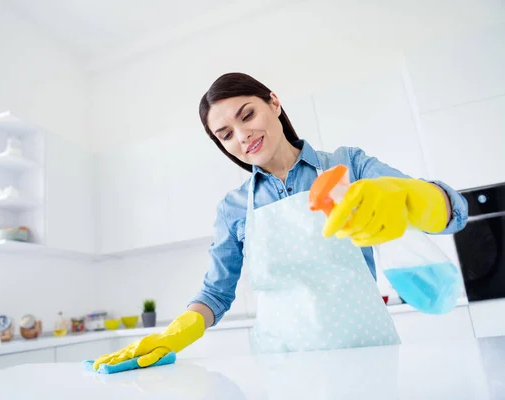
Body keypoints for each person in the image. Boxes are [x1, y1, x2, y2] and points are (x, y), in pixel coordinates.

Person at [93, 72, 468, 369]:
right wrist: (177, 332)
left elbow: (454, 213)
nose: (243, 137)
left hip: (368, 355)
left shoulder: (347, 164)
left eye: (248, 115)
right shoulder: (233, 207)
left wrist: (412, 199)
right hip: (281, 364)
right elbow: (215, 293)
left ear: (273, 102)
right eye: (226, 135)